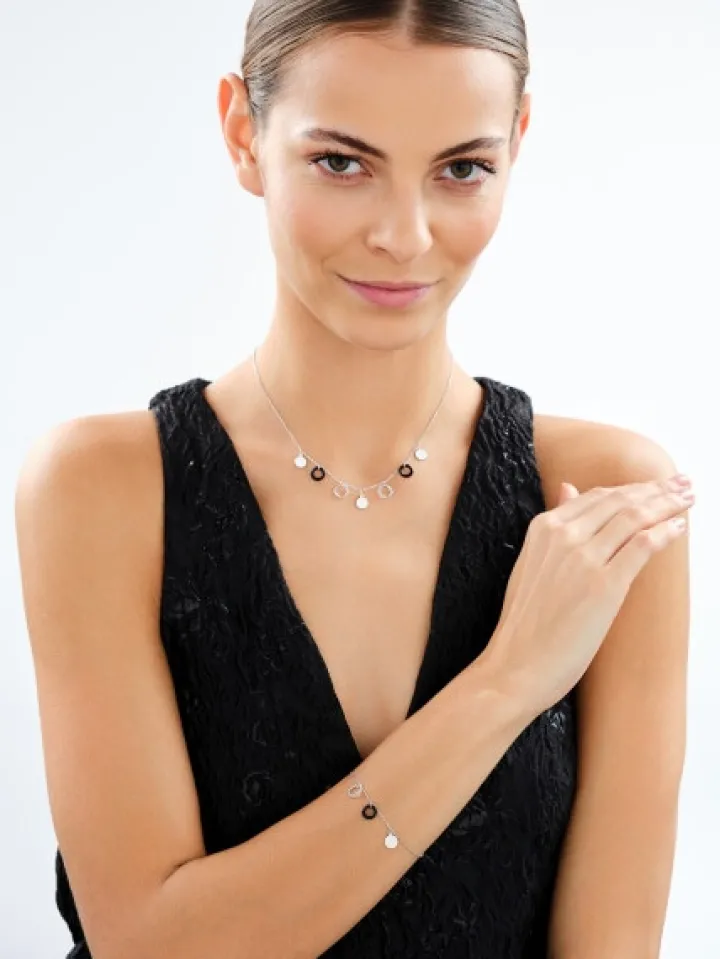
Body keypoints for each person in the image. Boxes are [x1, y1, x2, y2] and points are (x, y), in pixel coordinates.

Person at [15, 1, 694, 957]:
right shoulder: (103, 491)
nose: (404, 236)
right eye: (342, 162)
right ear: (243, 134)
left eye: (462, 168)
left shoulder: (603, 502)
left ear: (517, 142)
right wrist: (507, 682)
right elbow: (150, 942)